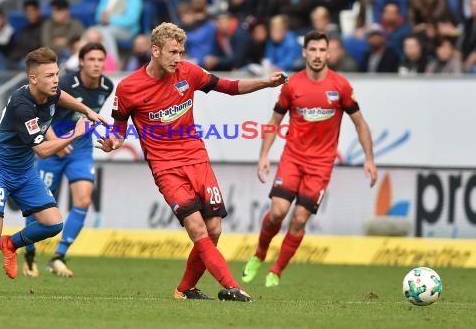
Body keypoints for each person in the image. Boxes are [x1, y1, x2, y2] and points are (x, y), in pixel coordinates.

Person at [97, 22, 285, 302]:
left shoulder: (190, 73)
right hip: (165, 167)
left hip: (197, 159)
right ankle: (232, 286)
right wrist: (114, 141)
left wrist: (266, 83)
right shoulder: (129, 88)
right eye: (173, 52)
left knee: (214, 229)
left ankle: (184, 290)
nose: (178, 58)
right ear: (155, 50)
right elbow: (119, 129)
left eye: (181, 52)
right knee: (197, 228)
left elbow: (230, 87)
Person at [0, 47, 107, 294]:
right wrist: (74, 133)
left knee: (52, 224)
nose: (56, 80)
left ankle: (11, 244)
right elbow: (43, 151)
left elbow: (62, 96)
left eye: (57, 73)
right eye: (49, 76)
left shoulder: (49, 91)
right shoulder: (22, 105)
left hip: (24, 172)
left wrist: (87, 110)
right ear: (33, 79)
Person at [241, 30, 378, 288]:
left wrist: (369, 158)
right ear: (304, 52)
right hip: (292, 158)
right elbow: (274, 122)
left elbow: (360, 123)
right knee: (278, 212)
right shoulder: (292, 85)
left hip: (321, 165)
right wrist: (263, 156)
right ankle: (259, 254)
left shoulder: (341, 87)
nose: (317, 55)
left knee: (300, 219)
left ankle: (276, 271)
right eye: (312, 50)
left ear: (329, 53)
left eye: (321, 50)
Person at [23, 42, 114, 277]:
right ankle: (29, 254)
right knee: (39, 206)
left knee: (83, 200)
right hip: (54, 146)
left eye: (100, 60)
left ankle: (58, 256)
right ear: (82, 61)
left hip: (81, 149)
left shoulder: (107, 86)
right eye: (91, 59)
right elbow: (42, 114)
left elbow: (86, 117)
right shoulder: (64, 84)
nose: (96, 64)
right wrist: (55, 140)